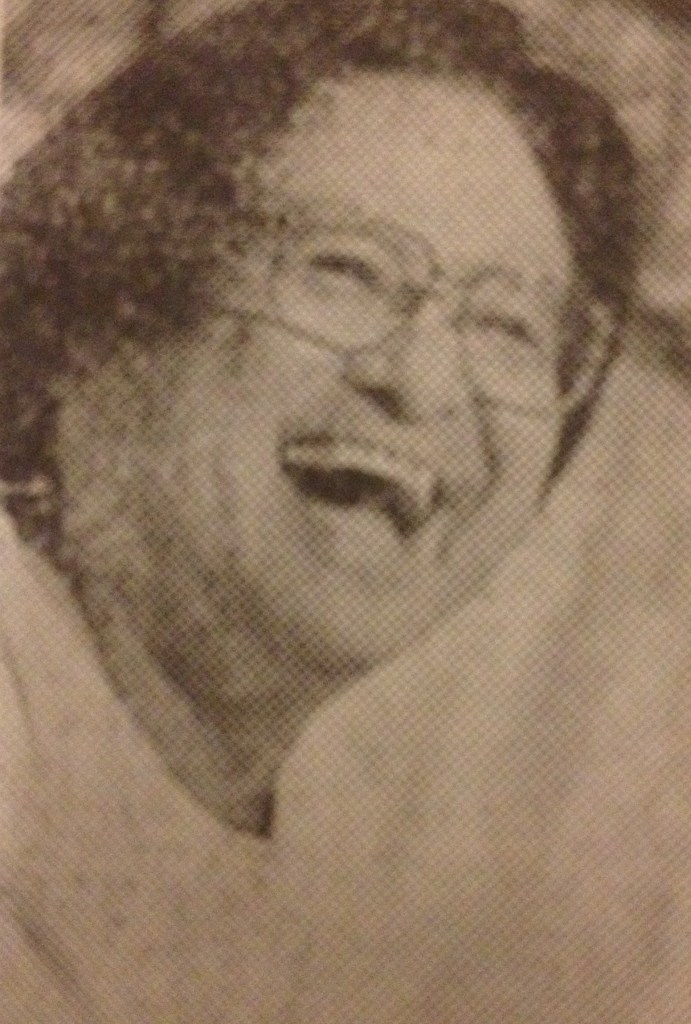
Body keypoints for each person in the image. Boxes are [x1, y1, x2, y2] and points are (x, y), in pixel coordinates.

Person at [0, 0, 689, 1020]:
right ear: (107, 314)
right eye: (347, 271)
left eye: (506, 327)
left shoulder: (312, 890)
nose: (422, 385)